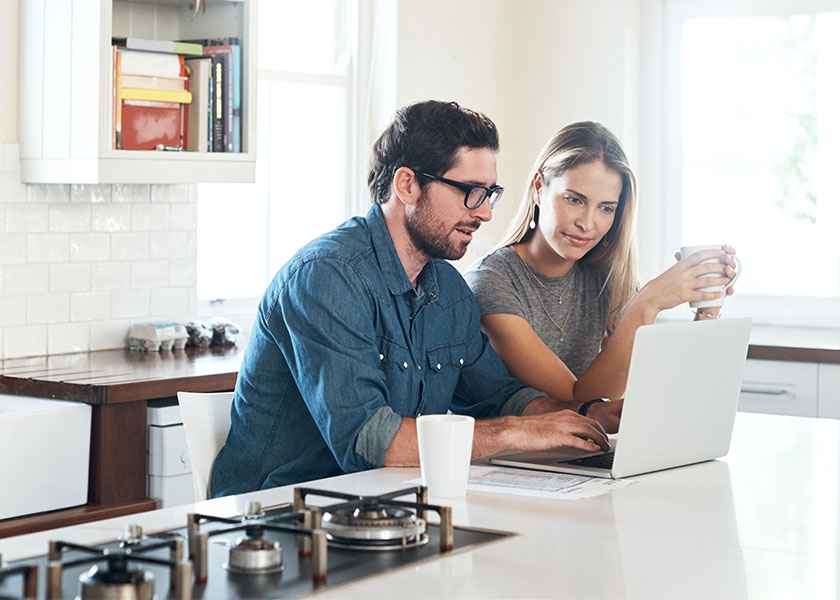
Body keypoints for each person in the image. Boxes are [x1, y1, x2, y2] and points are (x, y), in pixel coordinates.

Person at [210, 101, 611, 497]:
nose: (486, 212)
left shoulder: (448, 291)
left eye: (490, 193)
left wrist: (591, 413)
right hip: (274, 518)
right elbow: (371, 442)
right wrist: (514, 431)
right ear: (407, 185)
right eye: (471, 192)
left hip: (382, 507)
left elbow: (498, 397)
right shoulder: (326, 277)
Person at [464, 122, 737, 433]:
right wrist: (648, 301)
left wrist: (707, 305)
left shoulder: (603, 278)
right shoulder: (492, 281)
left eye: (606, 208)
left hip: (577, 452)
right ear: (539, 188)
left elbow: (658, 385)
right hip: (508, 461)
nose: (587, 223)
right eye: (574, 200)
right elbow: (578, 399)